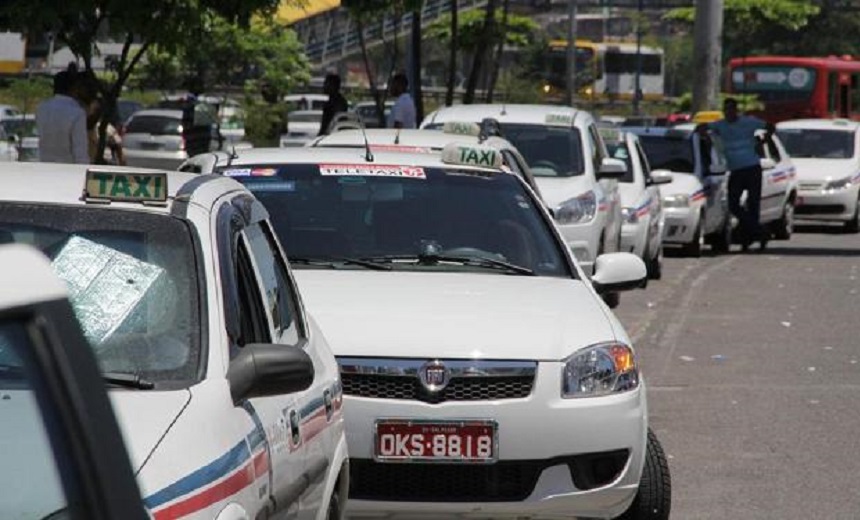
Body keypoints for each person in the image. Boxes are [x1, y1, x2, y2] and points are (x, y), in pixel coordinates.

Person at [697, 98, 775, 251]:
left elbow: (770, 127)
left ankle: (749, 237)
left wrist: (762, 141)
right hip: (736, 170)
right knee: (733, 204)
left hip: (752, 168)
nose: (729, 113)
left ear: (736, 110)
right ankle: (759, 231)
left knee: (753, 204)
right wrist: (707, 137)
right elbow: (701, 128)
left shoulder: (749, 122)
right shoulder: (720, 124)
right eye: (726, 110)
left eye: (731, 110)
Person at [35, 65, 89, 164]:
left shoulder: (41, 108)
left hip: (44, 166)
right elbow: (80, 151)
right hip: (67, 170)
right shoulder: (77, 113)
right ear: (74, 88)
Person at [86, 99, 125, 165]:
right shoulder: (80, 127)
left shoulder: (107, 128)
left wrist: (122, 165)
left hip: (104, 163)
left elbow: (118, 147)